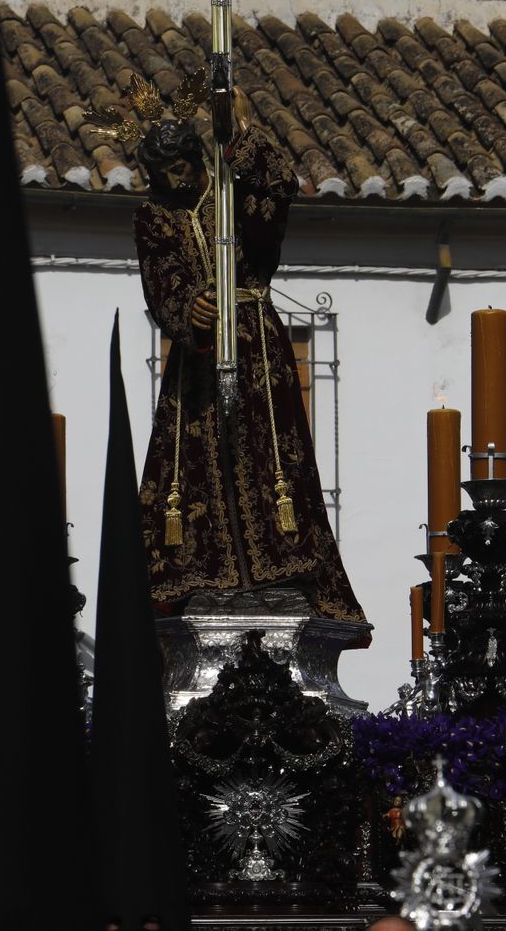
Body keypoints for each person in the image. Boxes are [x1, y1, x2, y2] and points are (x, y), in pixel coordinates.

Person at [128, 83, 365, 626]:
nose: (179, 181)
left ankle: (282, 569)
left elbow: (280, 186)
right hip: (199, 362)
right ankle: (203, 574)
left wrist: (238, 133)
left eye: (185, 168)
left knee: (270, 452)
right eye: (167, 176)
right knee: (196, 462)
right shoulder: (153, 217)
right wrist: (190, 309)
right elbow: (159, 281)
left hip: (258, 344)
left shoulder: (235, 192)